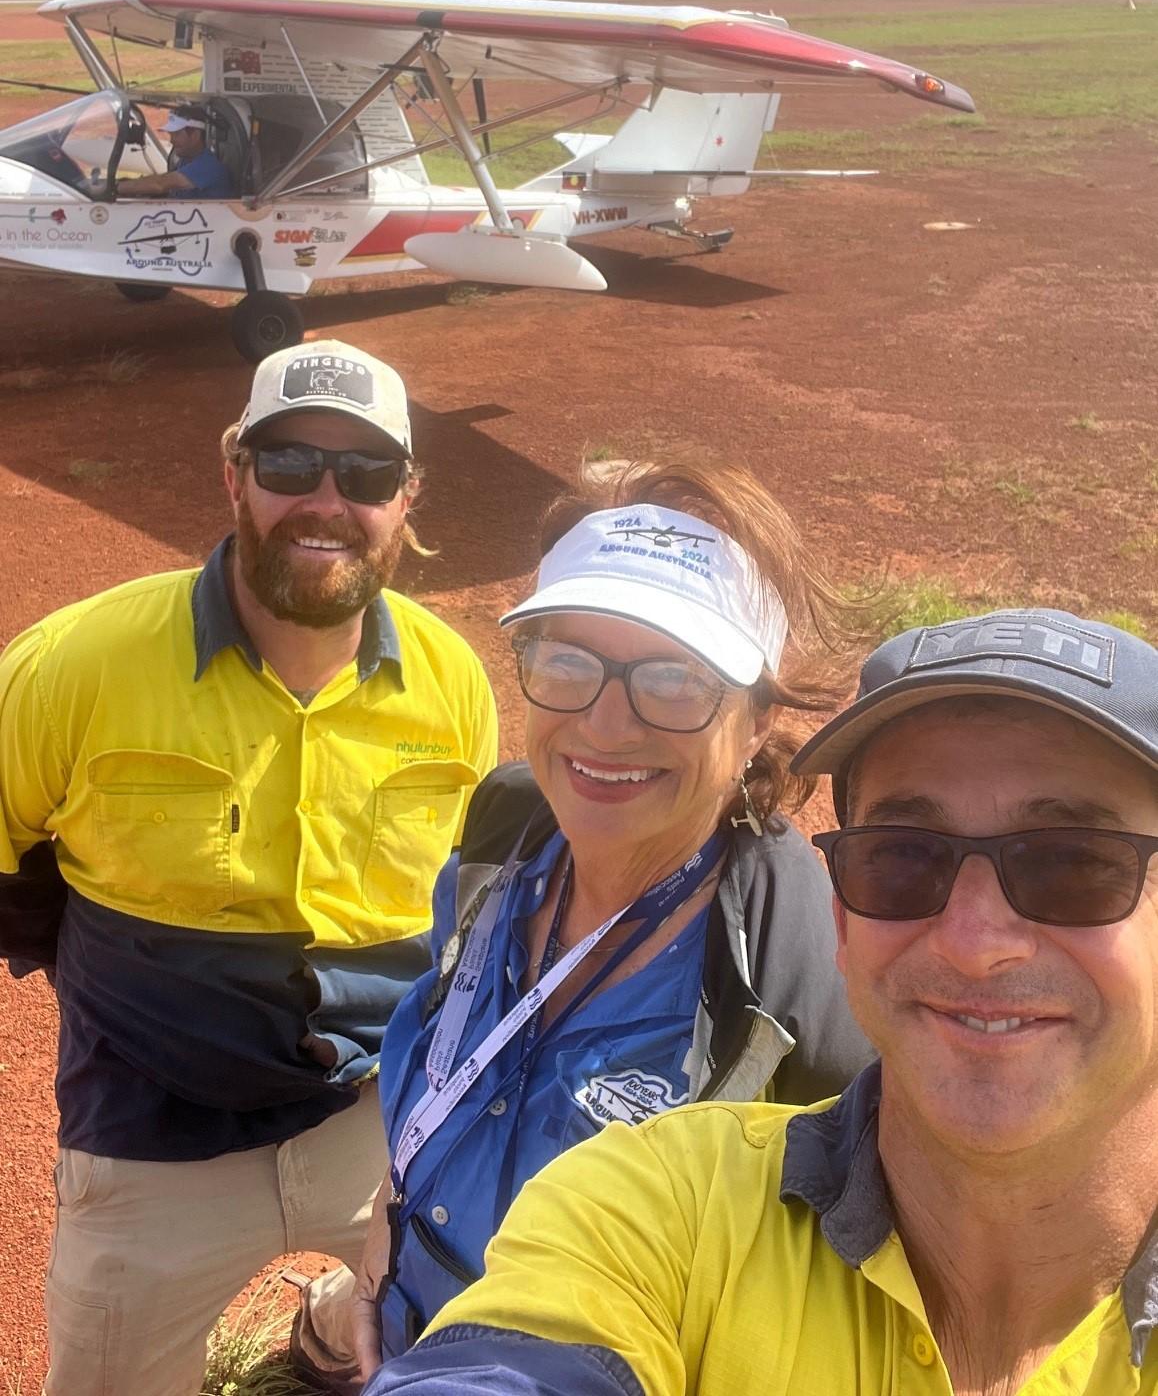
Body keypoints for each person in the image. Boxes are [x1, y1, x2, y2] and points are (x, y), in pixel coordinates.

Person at [359, 607, 1158, 1396]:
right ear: (843, 916)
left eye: (1072, 865)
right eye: (904, 858)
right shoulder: (663, 1198)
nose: (975, 941)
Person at [297, 459, 875, 1387]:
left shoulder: (804, 966)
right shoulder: (507, 835)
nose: (604, 726)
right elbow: (448, 1071)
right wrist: (387, 1235)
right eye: (567, 659)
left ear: (760, 716)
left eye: (674, 679)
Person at [0, 339, 497, 1396]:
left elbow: (475, 901)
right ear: (234, 474)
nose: (326, 500)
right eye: (289, 466)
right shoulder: (75, 662)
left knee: (472, 1338)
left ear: (405, 498)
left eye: (363, 475)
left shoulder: (452, 680)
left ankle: (327, 1329)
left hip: (378, 1117)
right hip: (150, 1128)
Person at [122, 105, 235, 198]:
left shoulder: (208, 166)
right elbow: (165, 179)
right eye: (171, 135)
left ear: (195, 135)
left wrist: (116, 187)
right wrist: (128, 184)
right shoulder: (186, 161)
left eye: (176, 134)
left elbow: (160, 184)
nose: (172, 140)